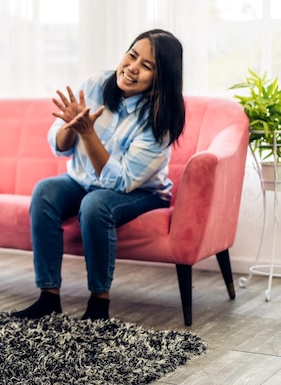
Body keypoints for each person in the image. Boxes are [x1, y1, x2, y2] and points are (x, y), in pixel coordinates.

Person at [11, 29, 186, 321]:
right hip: (83, 180)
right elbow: (60, 147)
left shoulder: (160, 119)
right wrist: (71, 125)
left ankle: (98, 304)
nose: (132, 67)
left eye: (146, 66)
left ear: (161, 78)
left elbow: (121, 182)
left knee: (95, 204)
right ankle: (49, 297)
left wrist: (88, 133)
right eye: (132, 56)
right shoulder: (94, 85)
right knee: (45, 192)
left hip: (140, 193)